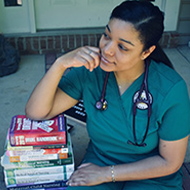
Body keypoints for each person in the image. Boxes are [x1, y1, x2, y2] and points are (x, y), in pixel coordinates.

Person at [25, 1, 190, 189]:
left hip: (152, 173)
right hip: (100, 161)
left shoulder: (171, 89)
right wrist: (61, 64)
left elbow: (170, 162)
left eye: (123, 47)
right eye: (106, 35)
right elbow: (36, 112)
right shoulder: (90, 70)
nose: (107, 49)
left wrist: (107, 174)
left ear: (146, 52)